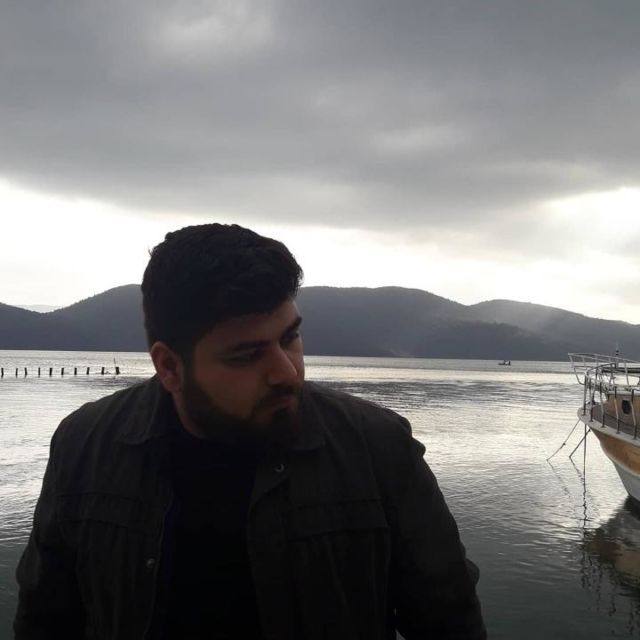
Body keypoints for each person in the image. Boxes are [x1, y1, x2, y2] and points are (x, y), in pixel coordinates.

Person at [14, 223, 486, 640]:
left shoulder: (378, 447)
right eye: (246, 355)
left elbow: (449, 621)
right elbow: (46, 619)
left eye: (290, 338)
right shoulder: (86, 445)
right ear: (170, 366)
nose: (287, 372)